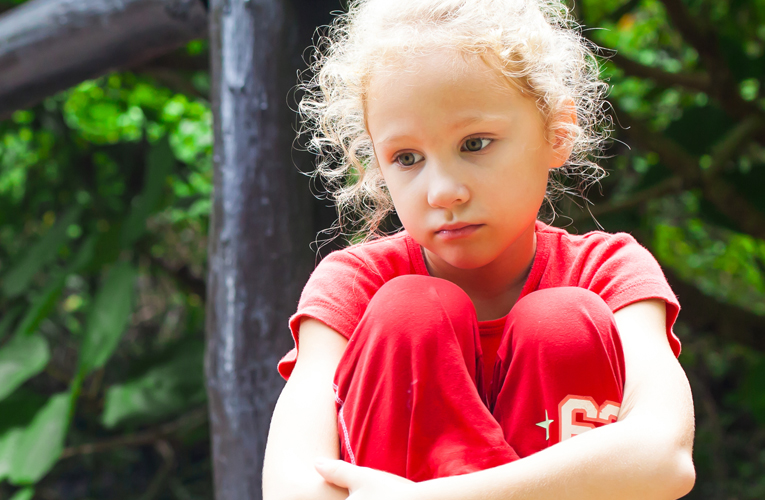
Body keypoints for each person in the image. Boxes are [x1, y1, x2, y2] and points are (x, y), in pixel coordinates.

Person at [261, 0, 696, 499]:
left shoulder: (608, 272)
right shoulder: (354, 286)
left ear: (558, 131)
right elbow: (291, 485)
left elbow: (664, 456)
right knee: (411, 312)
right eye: (406, 157)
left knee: (561, 323)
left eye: (475, 144)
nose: (442, 190)